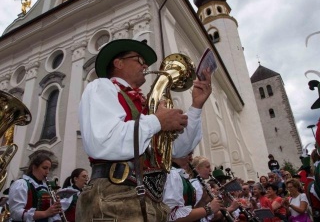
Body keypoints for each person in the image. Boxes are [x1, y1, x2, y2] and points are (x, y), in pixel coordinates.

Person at [76, 39, 213, 221]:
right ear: (118, 63)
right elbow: (103, 141)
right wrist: (158, 120)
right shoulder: (101, 87)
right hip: (114, 196)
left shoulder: (145, 104)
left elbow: (176, 150)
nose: (146, 65)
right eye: (139, 60)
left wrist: (196, 106)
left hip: (152, 199)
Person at [163, 154, 222, 221]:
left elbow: (191, 210)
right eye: (188, 153)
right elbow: (172, 216)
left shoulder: (180, 175)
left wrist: (203, 201)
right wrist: (208, 209)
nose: (191, 158)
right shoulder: (173, 175)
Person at [8, 153, 62, 222]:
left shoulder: (46, 187)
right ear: (34, 167)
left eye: (49, 169)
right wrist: (45, 213)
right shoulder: (21, 184)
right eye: (44, 168)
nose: (47, 172)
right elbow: (16, 213)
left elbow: (49, 212)